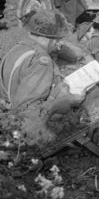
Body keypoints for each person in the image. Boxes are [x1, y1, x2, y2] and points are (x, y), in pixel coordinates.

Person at [0, 9, 85, 145]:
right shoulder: (41, 61)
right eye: (58, 39)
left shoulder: (20, 47)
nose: (60, 44)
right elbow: (28, 111)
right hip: (24, 128)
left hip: (7, 107)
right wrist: (68, 101)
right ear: (46, 37)